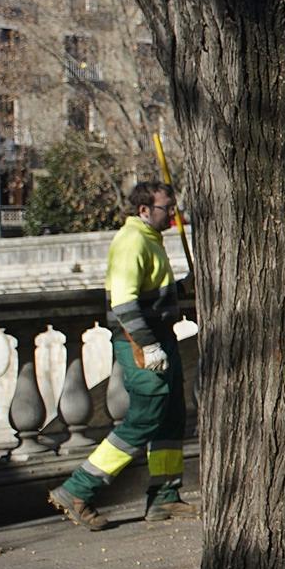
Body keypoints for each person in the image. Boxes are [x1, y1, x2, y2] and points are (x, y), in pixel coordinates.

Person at [48, 182, 193, 529]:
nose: (172, 215)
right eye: (165, 209)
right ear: (144, 210)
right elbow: (125, 303)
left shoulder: (150, 240)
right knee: (145, 418)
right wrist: (148, 344)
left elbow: (152, 294)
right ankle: (78, 489)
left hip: (160, 338)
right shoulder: (132, 242)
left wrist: (186, 286)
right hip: (140, 344)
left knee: (172, 416)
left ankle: (164, 497)